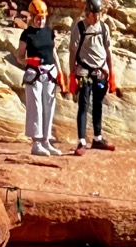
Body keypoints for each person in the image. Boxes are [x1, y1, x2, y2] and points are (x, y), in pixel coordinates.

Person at [67, 0, 116, 156]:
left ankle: (97, 138)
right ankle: (82, 141)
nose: (97, 17)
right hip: (84, 72)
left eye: (99, 14)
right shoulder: (79, 28)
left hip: (100, 73)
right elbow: (73, 51)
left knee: (98, 103)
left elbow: (108, 50)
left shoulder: (103, 27)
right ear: (87, 14)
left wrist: (111, 73)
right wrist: (72, 73)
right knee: (84, 104)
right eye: (94, 14)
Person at [16, 0, 61, 158]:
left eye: (43, 18)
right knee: (36, 107)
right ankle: (36, 143)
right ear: (33, 17)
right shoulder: (26, 34)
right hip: (34, 74)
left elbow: (54, 53)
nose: (41, 21)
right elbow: (19, 57)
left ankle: (46, 141)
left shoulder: (49, 32)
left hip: (50, 72)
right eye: (38, 18)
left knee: (49, 106)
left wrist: (60, 73)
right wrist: (29, 61)